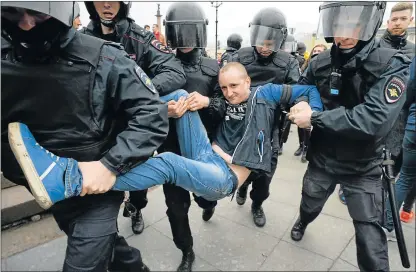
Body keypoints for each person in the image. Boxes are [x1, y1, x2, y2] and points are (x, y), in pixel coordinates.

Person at [9, 63, 323, 221]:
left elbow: (309, 90)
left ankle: (69, 179)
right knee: (178, 97)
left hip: (224, 177)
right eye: (224, 87)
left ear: (248, 82)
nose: (229, 92)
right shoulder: (223, 99)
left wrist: (312, 110)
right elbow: (212, 105)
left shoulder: (266, 95)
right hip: (205, 153)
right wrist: (181, 107)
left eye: (235, 86)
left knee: (168, 163)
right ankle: (119, 126)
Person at [1, 2, 170, 271]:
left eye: (38, 14)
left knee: (84, 262)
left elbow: (151, 113)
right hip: (49, 188)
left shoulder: (104, 56)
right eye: (12, 13)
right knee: (109, 248)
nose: (26, 25)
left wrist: (110, 164)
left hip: (97, 188)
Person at [287, 2, 411, 271]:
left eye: (352, 24)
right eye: (338, 24)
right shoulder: (319, 62)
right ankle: (303, 221)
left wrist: (316, 117)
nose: (344, 34)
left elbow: (374, 120)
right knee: (310, 204)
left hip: (364, 165)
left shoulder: (392, 63)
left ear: (369, 22)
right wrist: (296, 105)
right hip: (323, 158)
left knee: (370, 239)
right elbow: (301, 93)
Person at [81, 1, 186, 235]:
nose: (107, 4)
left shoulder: (141, 38)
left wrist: (136, 92)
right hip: (97, 129)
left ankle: (137, 208)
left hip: (133, 128)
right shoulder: (81, 38)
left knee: (139, 185)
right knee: (102, 193)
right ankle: (109, 231)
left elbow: (174, 71)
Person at [159, 3, 226, 271]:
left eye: (190, 32)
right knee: (176, 209)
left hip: (201, 149)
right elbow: (147, 102)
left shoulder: (212, 67)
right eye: (178, 32)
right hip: (170, 148)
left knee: (205, 196)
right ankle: (186, 251)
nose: (184, 40)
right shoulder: (161, 64)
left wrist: (208, 102)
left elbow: (226, 105)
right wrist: (165, 110)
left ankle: (208, 204)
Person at [222, 7, 300, 227]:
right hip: (242, 122)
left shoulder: (288, 62)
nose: (265, 48)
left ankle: (257, 203)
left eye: (271, 43)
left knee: (265, 175)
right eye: (262, 42)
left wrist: (295, 106)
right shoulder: (240, 57)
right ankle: (243, 186)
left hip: (270, 125)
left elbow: (296, 90)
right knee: (241, 164)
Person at [383, 56, 415, 240]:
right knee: (399, 173)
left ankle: (388, 222)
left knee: (403, 178)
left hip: (411, 125)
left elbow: (408, 91)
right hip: (405, 126)